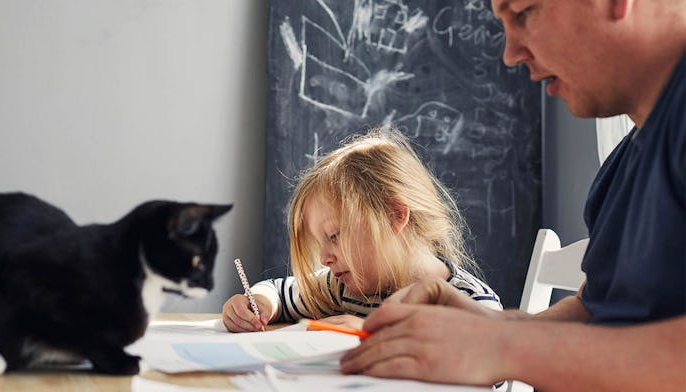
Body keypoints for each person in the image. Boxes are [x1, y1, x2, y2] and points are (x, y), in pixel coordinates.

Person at [340, 0, 685, 391]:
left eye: (523, 13)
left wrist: (506, 346)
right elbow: (597, 314)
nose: (510, 54)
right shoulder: (628, 161)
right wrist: (488, 328)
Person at [222, 128, 503, 333]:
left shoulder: (473, 304)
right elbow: (279, 293)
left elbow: (484, 374)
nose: (324, 258)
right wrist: (258, 303)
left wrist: (370, 334)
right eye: (320, 241)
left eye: (334, 236)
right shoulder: (341, 290)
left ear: (394, 217)